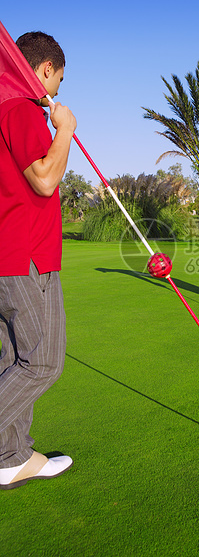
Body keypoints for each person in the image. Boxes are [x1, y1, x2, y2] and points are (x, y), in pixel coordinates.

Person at [0, 31, 77, 489]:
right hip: (26, 256)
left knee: (11, 358)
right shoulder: (22, 109)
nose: (56, 91)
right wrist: (64, 128)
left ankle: (11, 458)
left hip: (8, 256)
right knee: (42, 362)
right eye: (58, 80)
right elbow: (45, 179)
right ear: (45, 69)